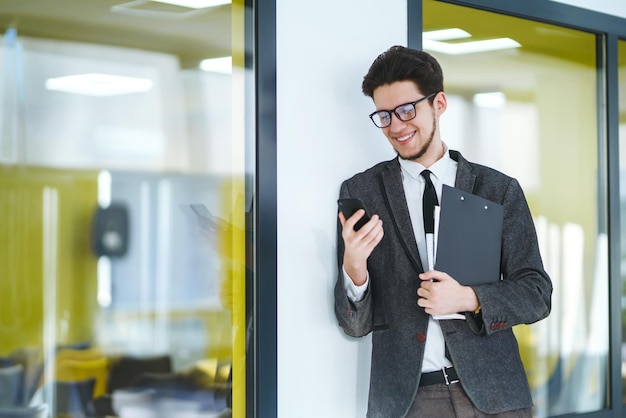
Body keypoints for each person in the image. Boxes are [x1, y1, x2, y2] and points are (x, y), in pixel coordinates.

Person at [334, 45, 552, 418]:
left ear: (439, 104)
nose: (397, 126)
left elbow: (536, 293)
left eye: (407, 110)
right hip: (409, 401)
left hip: (495, 397)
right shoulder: (362, 192)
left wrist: (469, 298)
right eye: (384, 116)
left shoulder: (497, 189)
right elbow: (356, 326)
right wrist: (353, 269)